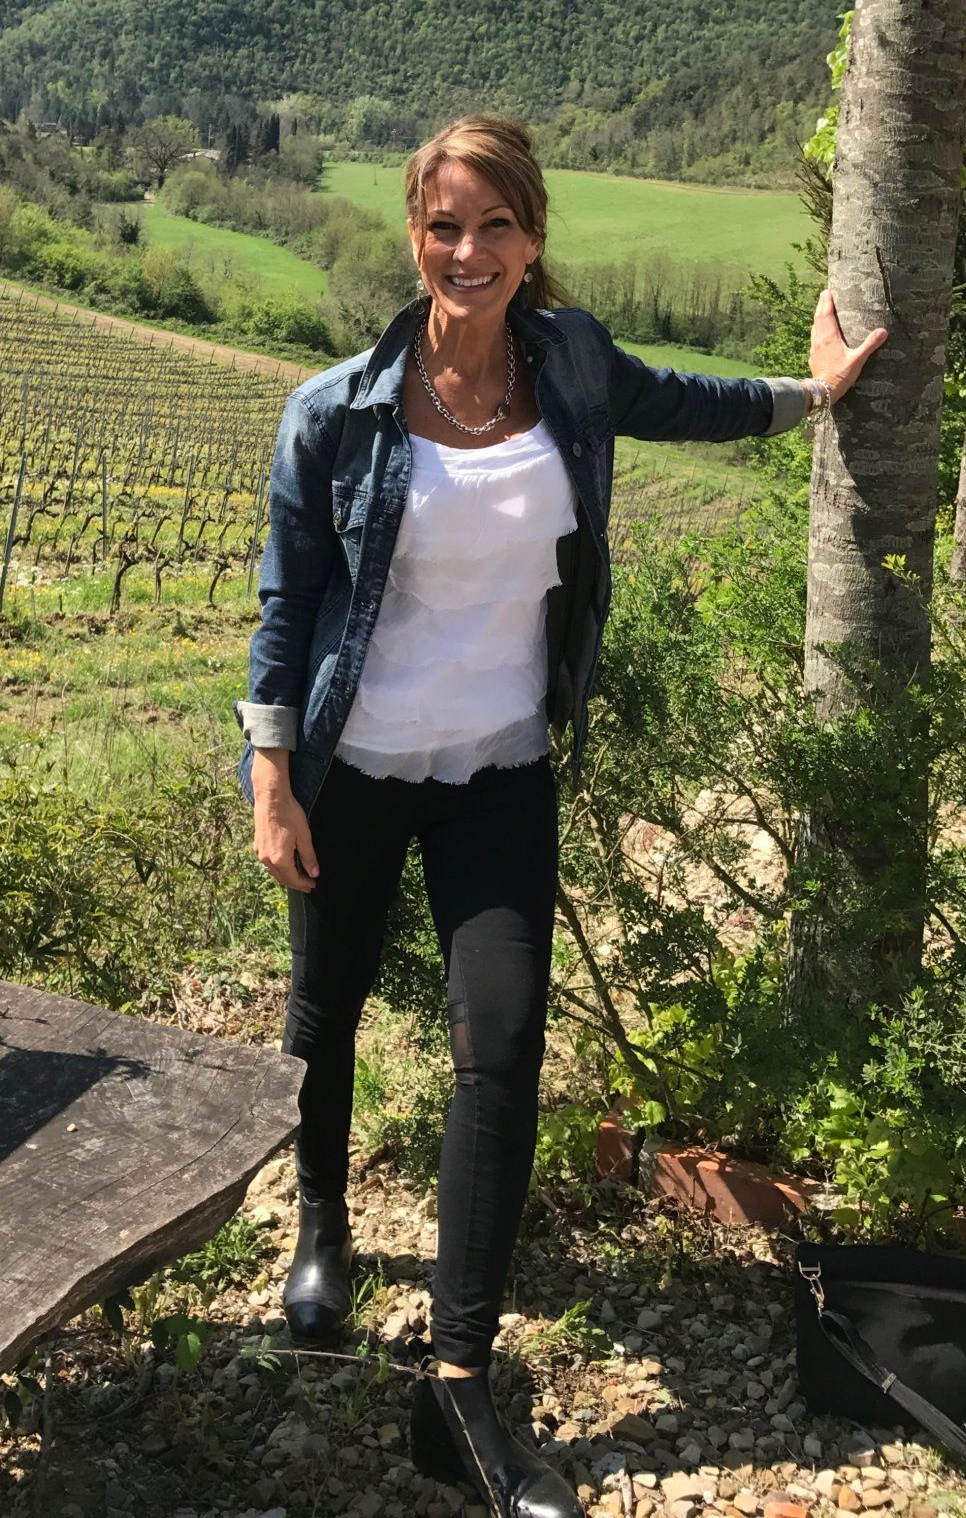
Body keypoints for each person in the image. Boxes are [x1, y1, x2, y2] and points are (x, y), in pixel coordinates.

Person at [233, 115, 885, 1518]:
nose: (468, 253)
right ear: (416, 238)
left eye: (495, 227)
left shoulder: (573, 365)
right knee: (323, 1011)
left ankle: (459, 1381)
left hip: (499, 770)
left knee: (502, 1045)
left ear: (533, 240)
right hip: (356, 769)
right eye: (443, 227)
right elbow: (287, 608)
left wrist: (815, 394)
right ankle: (327, 1225)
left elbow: (691, 399)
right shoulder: (336, 411)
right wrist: (270, 773)